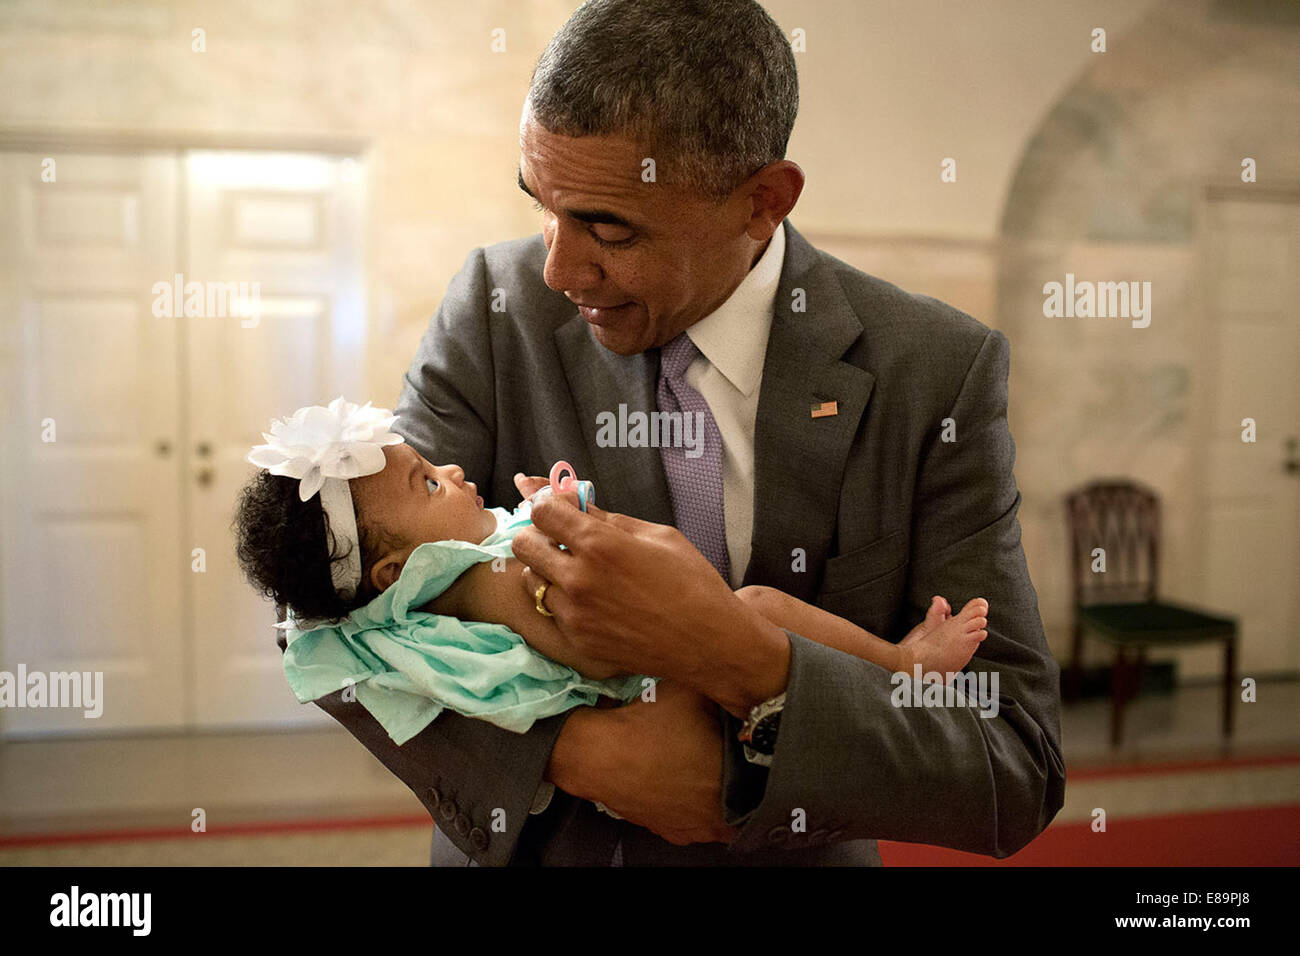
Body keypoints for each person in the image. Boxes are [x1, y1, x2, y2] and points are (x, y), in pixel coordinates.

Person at [386, 0, 1064, 866]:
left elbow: (1012, 764)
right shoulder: (493, 309)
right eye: (543, 206)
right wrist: (577, 755)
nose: (558, 268)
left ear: (762, 202)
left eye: (609, 227)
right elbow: (333, 592)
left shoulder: (935, 371)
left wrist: (748, 658)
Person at [234, 402, 992, 745]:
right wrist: (561, 540)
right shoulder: (474, 579)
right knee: (757, 602)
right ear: (395, 568)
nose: (455, 470)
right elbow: (582, 636)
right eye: (429, 483)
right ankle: (903, 662)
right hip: (656, 679)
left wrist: (545, 514)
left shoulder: (452, 567)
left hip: (660, 670)